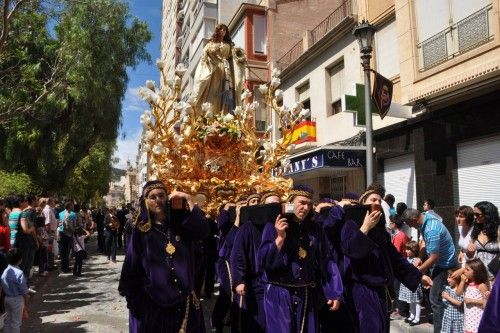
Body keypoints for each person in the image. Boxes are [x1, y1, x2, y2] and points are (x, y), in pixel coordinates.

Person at [321, 190, 431, 333]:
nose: (377, 203)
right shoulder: (350, 224)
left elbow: (395, 259)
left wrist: (419, 276)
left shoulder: (381, 231)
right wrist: (365, 228)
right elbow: (350, 251)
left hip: (380, 290)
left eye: (379, 201)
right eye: (373, 200)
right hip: (360, 289)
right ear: (363, 204)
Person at [118, 180, 210, 332]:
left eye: (161, 195)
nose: (158, 200)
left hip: (183, 302)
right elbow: (131, 265)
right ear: (146, 201)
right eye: (152, 197)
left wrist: (189, 199)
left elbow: (203, 231)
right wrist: (135, 301)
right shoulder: (141, 232)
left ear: (167, 197)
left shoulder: (181, 224)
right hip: (154, 304)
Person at [258, 185, 343, 333]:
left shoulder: (315, 229)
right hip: (279, 293)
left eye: (309, 204)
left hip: (305, 294)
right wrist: (279, 238)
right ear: (290, 202)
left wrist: (334, 291)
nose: (305, 207)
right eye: (301, 203)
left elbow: (326, 260)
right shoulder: (274, 225)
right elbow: (262, 261)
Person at [402, 208, 456, 333]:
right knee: (438, 297)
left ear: (414, 219)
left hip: (444, 265)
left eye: (410, 224)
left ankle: (440, 330)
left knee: (434, 299)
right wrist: (420, 258)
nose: (412, 227)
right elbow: (425, 244)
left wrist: (417, 272)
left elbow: (434, 257)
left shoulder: (431, 229)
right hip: (438, 263)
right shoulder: (425, 216)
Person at [230, 192, 278, 332]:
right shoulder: (249, 227)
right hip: (257, 283)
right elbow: (237, 254)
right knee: (258, 322)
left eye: (276, 204)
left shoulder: (284, 226)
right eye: (270, 205)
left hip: (278, 283)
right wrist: (239, 280)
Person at [189, 24, 246, 116]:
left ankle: (223, 113)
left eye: (225, 30)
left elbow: (234, 57)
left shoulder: (229, 45)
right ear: (217, 31)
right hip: (213, 70)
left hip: (225, 69)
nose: (223, 31)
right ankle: (209, 112)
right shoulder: (210, 44)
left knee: (225, 90)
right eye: (221, 29)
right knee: (213, 90)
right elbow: (204, 58)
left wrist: (239, 56)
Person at [466, 201, 499, 279]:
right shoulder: (475, 230)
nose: (474, 217)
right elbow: (469, 255)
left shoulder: (498, 230)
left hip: (495, 274)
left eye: (477, 214)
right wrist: (469, 251)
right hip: (478, 274)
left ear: (487, 215)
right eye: (474, 214)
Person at [1, 248, 29, 333]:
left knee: (8, 321)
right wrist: (26, 299)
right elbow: (24, 290)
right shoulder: (19, 273)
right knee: (16, 323)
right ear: (20, 260)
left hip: (7, 298)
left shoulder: (5, 271)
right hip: (17, 299)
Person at [460, 258, 490, 333]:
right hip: (468, 318)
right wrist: (462, 281)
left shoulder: (481, 286)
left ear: (476, 272)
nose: (464, 271)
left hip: (477, 318)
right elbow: (459, 293)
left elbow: (487, 303)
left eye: (467, 269)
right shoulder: (467, 284)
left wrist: (472, 300)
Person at [398, 241, 423, 326]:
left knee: (416, 301)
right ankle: (412, 316)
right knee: (410, 301)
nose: (406, 251)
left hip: (415, 283)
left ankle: (417, 318)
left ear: (414, 250)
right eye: (406, 249)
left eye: (408, 249)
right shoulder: (406, 259)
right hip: (407, 283)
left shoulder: (417, 260)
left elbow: (419, 271)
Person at [441, 268, 464, 333]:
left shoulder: (461, 291)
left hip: (457, 319)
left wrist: (448, 297)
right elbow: (444, 300)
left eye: (450, 277)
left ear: (457, 278)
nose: (447, 279)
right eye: (447, 277)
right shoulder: (448, 288)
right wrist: (443, 297)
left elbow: (460, 303)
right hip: (448, 317)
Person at [58, 200, 76, 273]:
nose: (73, 206)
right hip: (66, 235)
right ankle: (65, 268)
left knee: (65, 251)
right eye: (72, 205)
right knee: (65, 252)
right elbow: (68, 226)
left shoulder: (62, 213)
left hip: (64, 234)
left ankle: (65, 266)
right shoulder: (68, 214)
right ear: (69, 206)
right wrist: (73, 231)